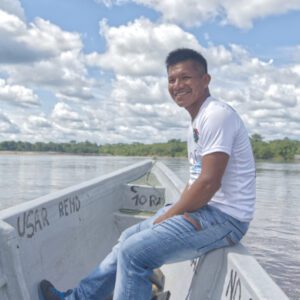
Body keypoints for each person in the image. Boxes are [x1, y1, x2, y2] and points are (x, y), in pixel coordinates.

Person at [39, 48, 256, 300]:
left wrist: (169, 216)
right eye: (172, 80)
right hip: (205, 211)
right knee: (126, 238)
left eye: (186, 78)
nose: (177, 85)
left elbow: (209, 183)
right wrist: (171, 211)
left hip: (225, 219)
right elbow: (195, 179)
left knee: (134, 254)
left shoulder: (216, 114)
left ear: (205, 80)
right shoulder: (197, 120)